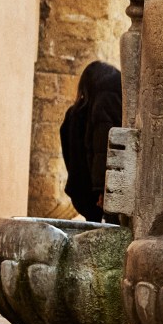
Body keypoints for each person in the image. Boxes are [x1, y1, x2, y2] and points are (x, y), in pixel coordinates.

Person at [59, 61, 123, 223]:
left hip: (81, 191)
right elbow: (103, 148)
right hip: (99, 193)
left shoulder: (73, 115)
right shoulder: (107, 104)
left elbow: (68, 152)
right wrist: (103, 189)